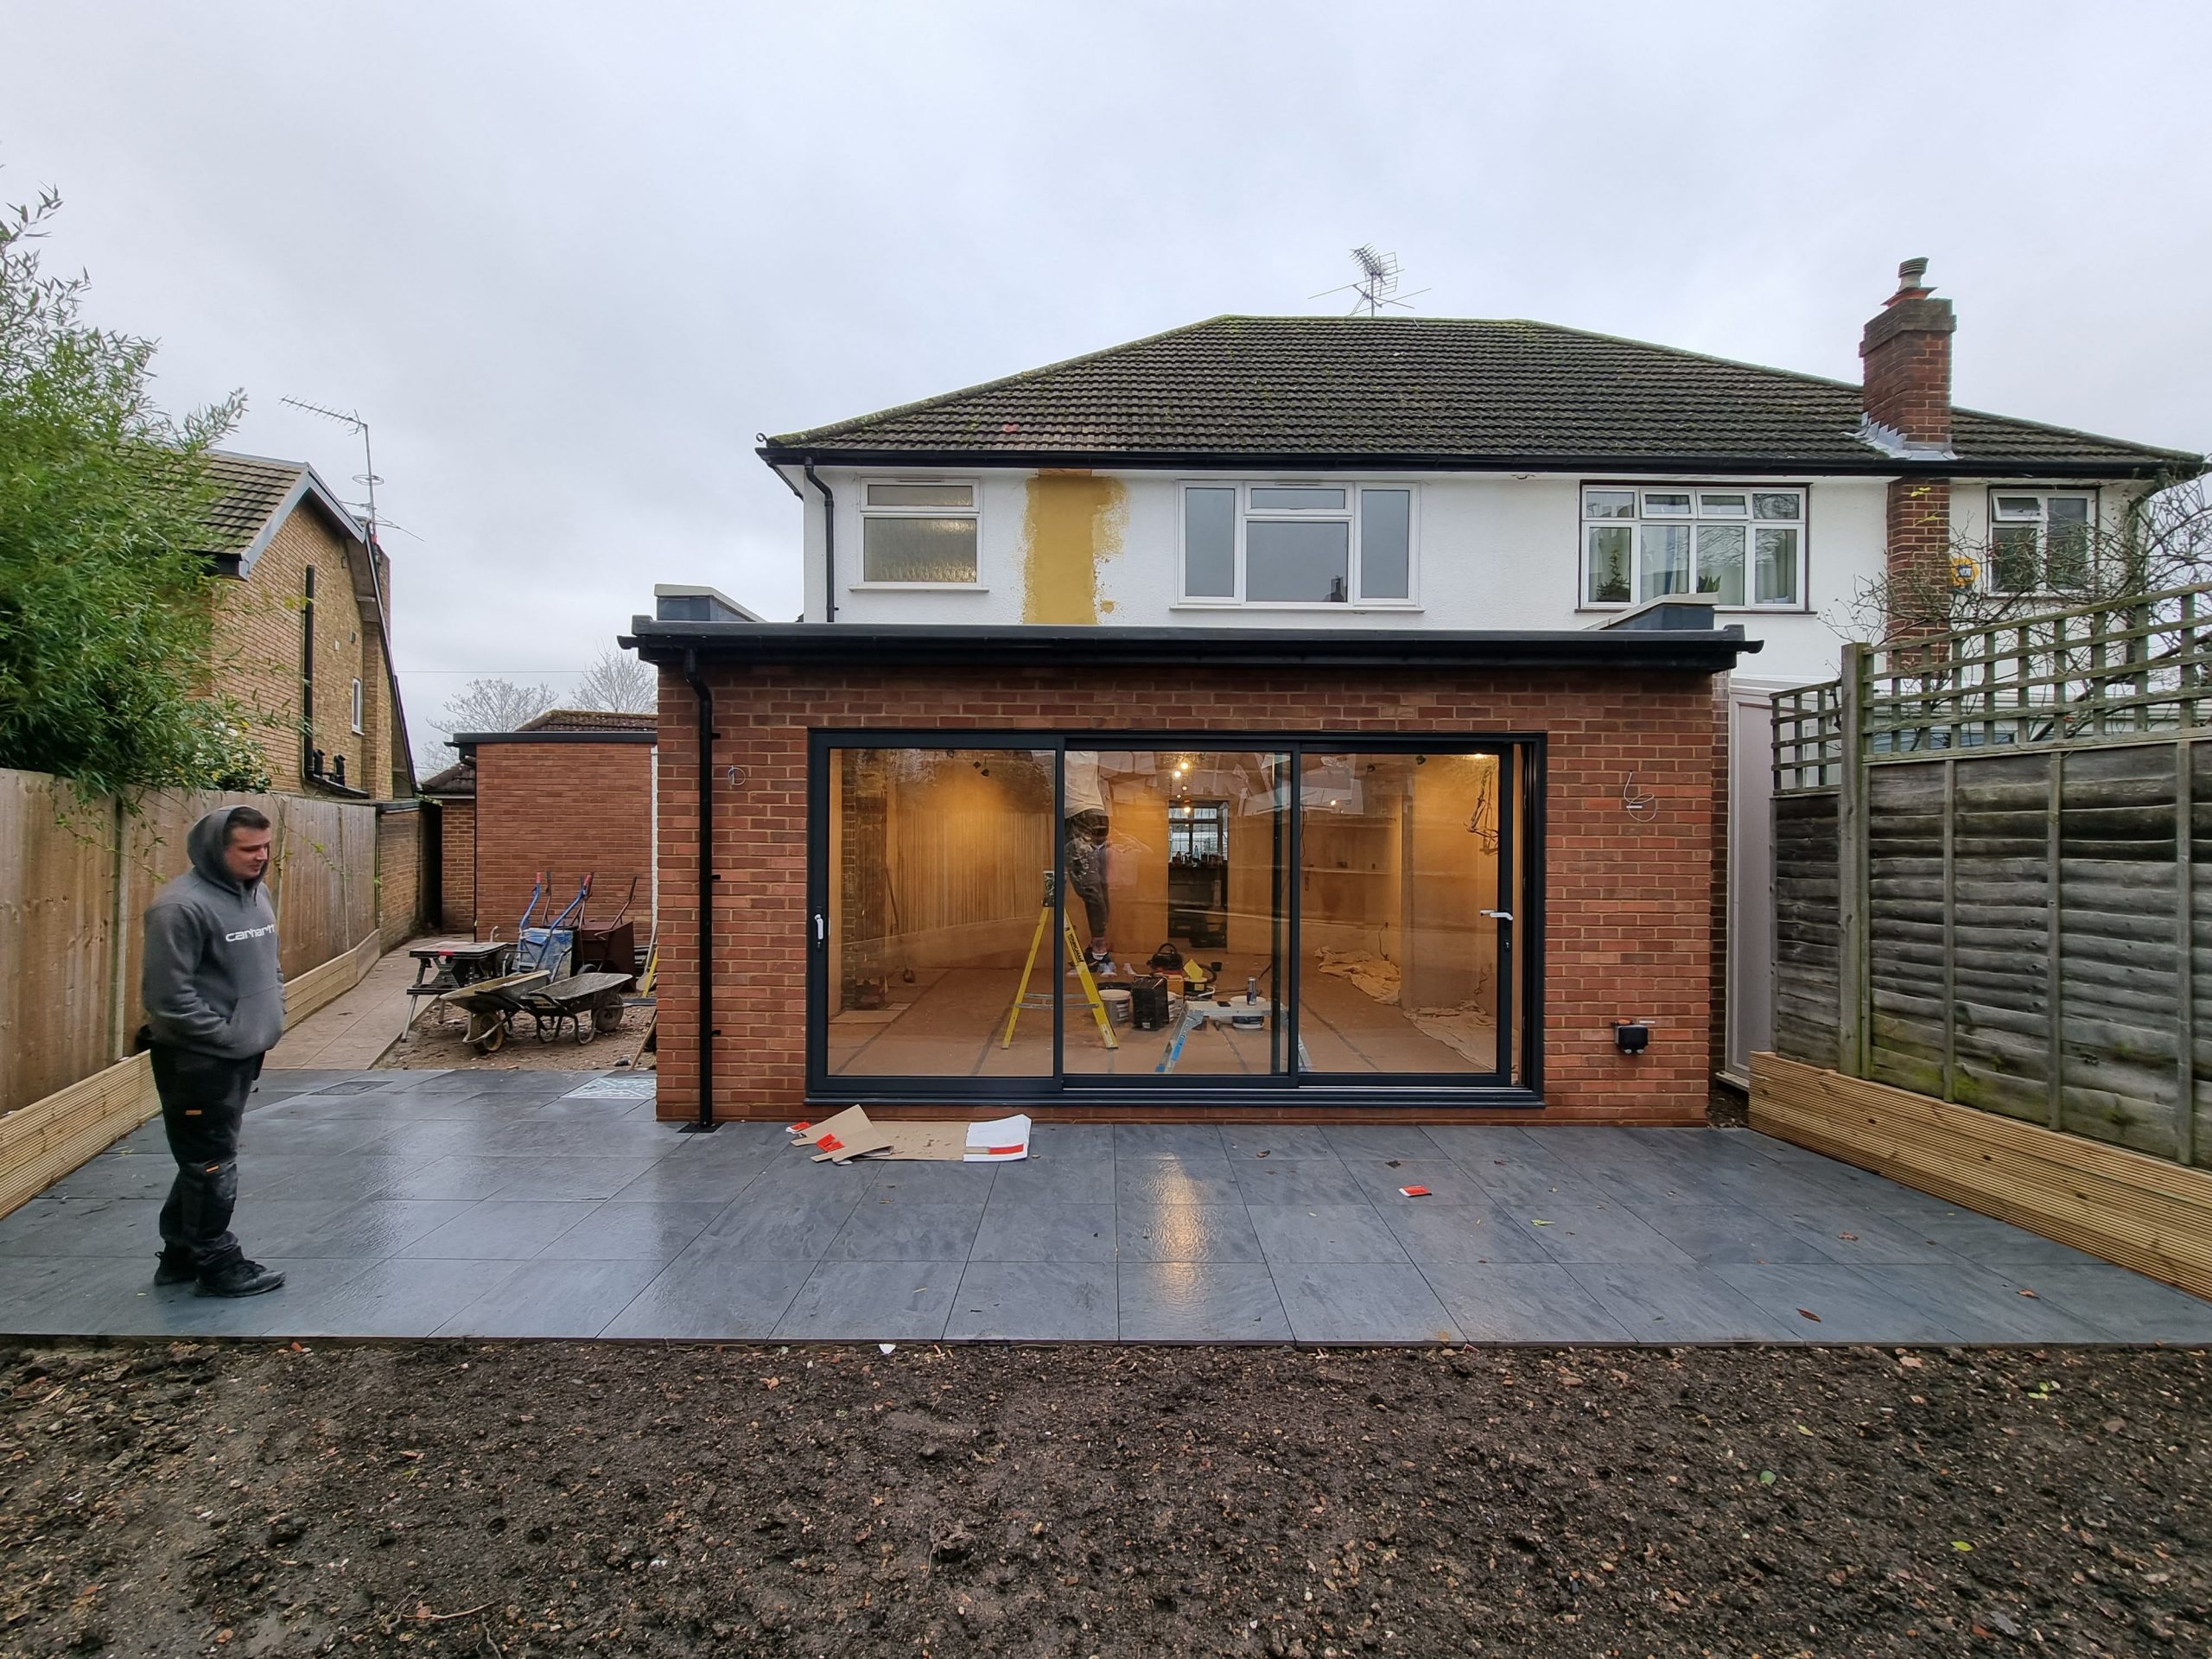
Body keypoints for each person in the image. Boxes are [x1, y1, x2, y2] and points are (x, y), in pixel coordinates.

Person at [139, 805, 288, 1298]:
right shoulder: (179, 908)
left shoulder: (256, 894)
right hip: (197, 1059)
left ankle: (180, 1255)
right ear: (215, 850)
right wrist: (229, 1037)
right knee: (210, 1163)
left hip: (242, 1051)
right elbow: (168, 999)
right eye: (248, 849)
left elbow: (267, 965)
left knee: (209, 1156)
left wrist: (271, 1010)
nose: (260, 857)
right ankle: (218, 1265)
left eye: (265, 847)